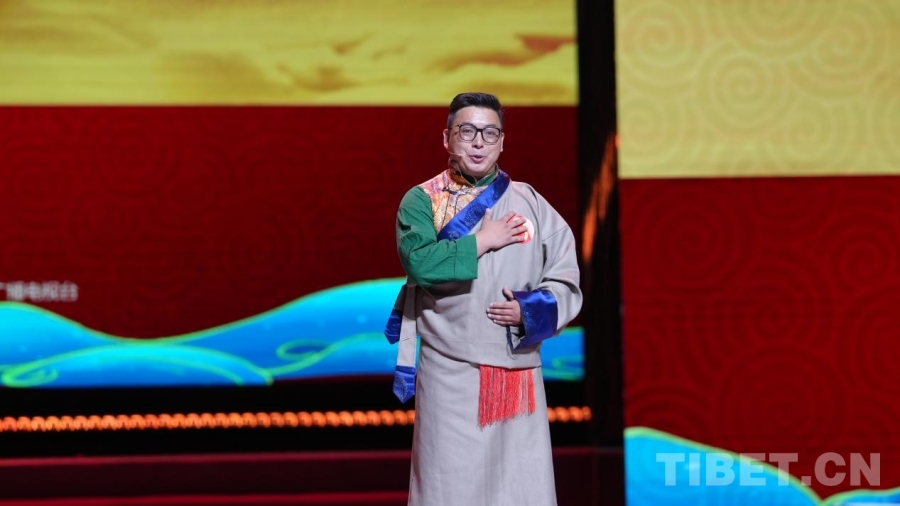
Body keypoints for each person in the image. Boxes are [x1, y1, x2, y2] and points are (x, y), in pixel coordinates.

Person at [385, 92, 583, 506]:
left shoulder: (531, 203)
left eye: (489, 133)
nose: (478, 142)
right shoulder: (422, 200)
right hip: (449, 373)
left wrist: (530, 311)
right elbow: (420, 263)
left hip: (516, 374)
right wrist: (483, 240)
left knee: (520, 490)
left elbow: (565, 279)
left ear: (502, 142)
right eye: (467, 131)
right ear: (447, 138)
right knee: (449, 488)